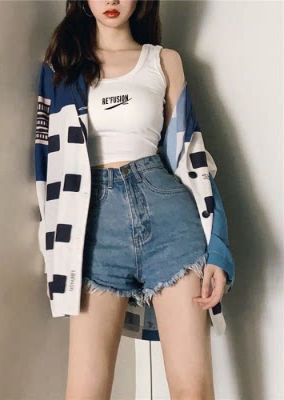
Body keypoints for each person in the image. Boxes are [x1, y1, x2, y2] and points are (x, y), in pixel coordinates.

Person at [36, 1, 234, 399]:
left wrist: (219, 249)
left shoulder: (164, 61)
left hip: (169, 222)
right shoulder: (61, 66)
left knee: (193, 391)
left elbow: (192, 157)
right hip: (92, 230)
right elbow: (46, 166)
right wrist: (56, 251)